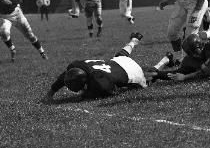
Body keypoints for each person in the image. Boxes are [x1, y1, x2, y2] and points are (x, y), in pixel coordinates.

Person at [42, 32, 173, 101]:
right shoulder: (77, 65)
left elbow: (114, 91)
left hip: (132, 73)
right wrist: (51, 92)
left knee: (149, 77)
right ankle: (134, 40)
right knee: (121, 54)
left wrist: (84, 95)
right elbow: (65, 76)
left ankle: (165, 60)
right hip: (117, 62)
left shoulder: (99, 85)